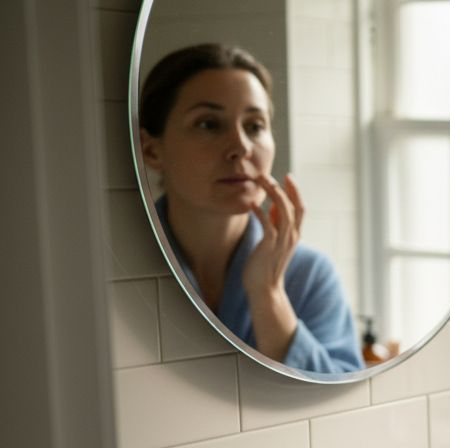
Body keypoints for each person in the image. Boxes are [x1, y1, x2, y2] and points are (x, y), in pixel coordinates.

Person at [139, 43, 362, 374]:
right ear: (152, 151)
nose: (241, 147)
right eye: (208, 124)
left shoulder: (309, 275)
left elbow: (337, 410)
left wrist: (269, 294)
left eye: (255, 126)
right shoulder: (123, 269)